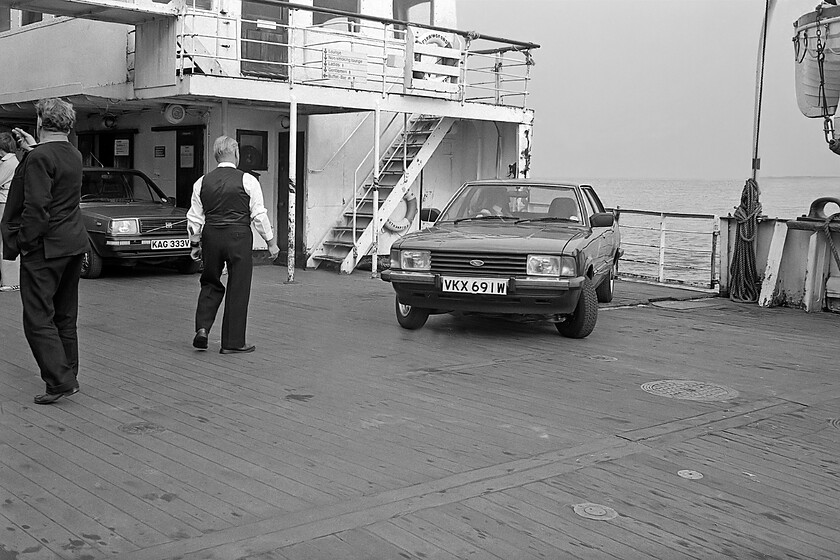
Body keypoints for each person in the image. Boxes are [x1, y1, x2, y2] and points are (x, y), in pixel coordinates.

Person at [0, 99, 88, 404]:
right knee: (65, 314)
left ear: (40, 121)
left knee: (37, 317)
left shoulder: (40, 158)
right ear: (70, 124)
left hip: (46, 246)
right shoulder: (73, 153)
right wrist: (33, 149)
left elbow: (36, 207)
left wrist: (25, 242)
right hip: (74, 242)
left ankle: (60, 380)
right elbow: (53, 160)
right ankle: (68, 375)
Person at [187, 135, 280, 354]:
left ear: (215, 155)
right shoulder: (248, 180)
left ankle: (202, 329)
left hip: (211, 235)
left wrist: (194, 244)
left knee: (209, 281)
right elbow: (259, 215)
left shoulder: (202, 182)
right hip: (239, 235)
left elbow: (194, 218)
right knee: (238, 286)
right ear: (236, 153)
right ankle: (233, 342)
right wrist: (271, 242)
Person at [0, 132, 21, 291]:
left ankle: (10, 281)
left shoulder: (9, 163)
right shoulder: (10, 161)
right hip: (5, 203)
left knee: (4, 242)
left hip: (4, 203)